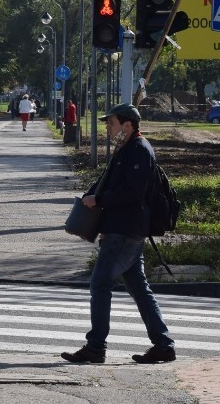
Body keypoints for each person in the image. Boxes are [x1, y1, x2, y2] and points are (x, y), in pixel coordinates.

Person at [61, 103, 175, 365]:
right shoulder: (127, 149)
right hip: (123, 228)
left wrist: (98, 200)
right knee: (139, 288)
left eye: (111, 122)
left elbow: (132, 192)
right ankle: (164, 345)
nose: (107, 127)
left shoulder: (138, 150)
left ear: (128, 125)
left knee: (100, 284)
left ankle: (95, 347)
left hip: (125, 230)